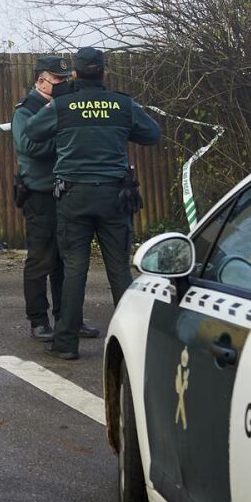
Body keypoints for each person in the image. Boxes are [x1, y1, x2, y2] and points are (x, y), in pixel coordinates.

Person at [23, 47, 161, 360]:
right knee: (119, 269)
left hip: (74, 197)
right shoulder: (122, 104)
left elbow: (33, 131)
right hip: (114, 197)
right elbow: (152, 134)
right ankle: (135, 343)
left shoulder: (61, 106)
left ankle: (66, 344)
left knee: (74, 268)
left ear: (74, 74)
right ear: (104, 72)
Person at [13, 55, 99, 341]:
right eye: (57, 80)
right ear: (41, 81)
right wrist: (66, 140)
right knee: (41, 260)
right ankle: (38, 320)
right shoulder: (26, 110)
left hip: (66, 193)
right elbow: (28, 146)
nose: (63, 84)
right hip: (40, 194)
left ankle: (68, 318)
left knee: (67, 259)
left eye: (66, 79)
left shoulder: (65, 106)